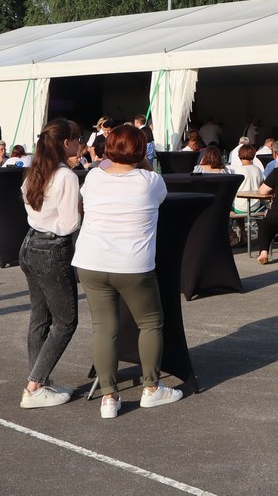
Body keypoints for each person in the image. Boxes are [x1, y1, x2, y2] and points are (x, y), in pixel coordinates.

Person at [72, 124, 179, 419]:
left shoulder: (94, 177)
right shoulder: (150, 181)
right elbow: (156, 187)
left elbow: (98, 179)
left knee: (104, 327)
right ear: (141, 151)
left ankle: (109, 396)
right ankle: (151, 387)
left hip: (91, 260)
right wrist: (141, 159)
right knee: (150, 323)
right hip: (133, 264)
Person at [17, 118, 83, 409]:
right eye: (78, 139)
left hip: (30, 243)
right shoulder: (66, 176)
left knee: (40, 317)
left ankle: (39, 380)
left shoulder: (36, 169)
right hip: (52, 248)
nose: (80, 144)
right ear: (66, 142)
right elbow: (69, 224)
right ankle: (34, 385)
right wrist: (81, 206)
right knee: (65, 321)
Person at [231, 145, 266, 246]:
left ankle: (243, 233)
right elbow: (262, 186)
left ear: (239, 155)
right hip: (255, 206)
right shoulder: (258, 170)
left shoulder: (236, 171)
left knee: (234, 205)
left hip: (240, 206)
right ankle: (261, 233)